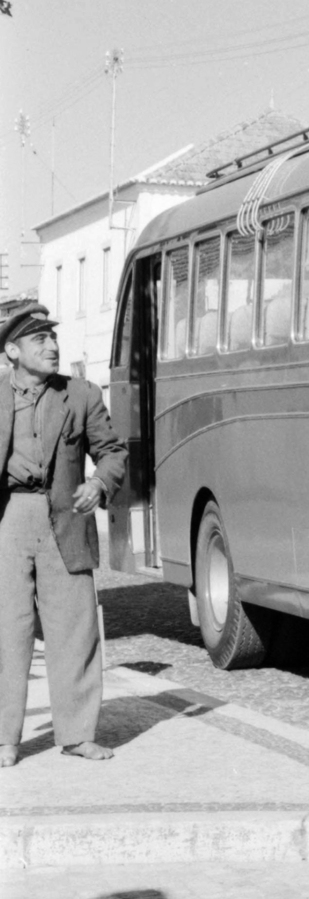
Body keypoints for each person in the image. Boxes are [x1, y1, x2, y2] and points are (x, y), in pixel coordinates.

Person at [0, 304, 127, 766]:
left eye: (53, 338)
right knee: (5, 630)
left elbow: (112, 452)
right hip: (8, 520)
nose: (52, 346)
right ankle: (4, 741)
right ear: (12, 350)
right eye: (39, 341)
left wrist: (98, 482)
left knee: (74, 629)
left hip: (67, 518)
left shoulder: (81, 394)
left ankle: (76, 734)